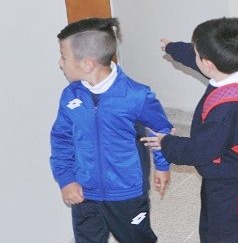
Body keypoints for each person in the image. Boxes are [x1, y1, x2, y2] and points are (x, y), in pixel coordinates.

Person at [50, 18, 172, 242]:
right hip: (84, 192)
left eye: (63, 57)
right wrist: (67, 179)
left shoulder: (136, 95)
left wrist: (162, 166)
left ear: (87, 64)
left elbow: (160, 129)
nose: (60, 63)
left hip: (127, 192)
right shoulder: (70, 97)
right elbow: (61, 139)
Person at [144, 17, 238, 243]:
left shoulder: (226, 113)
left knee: (222, 231)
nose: (192, 54)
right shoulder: (235, 72)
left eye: (196, 52)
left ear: (207, 63)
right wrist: (172, 48)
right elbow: (194, 56)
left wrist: (166, 142)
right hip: (230, 167)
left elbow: (201, 150)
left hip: (229, 180)